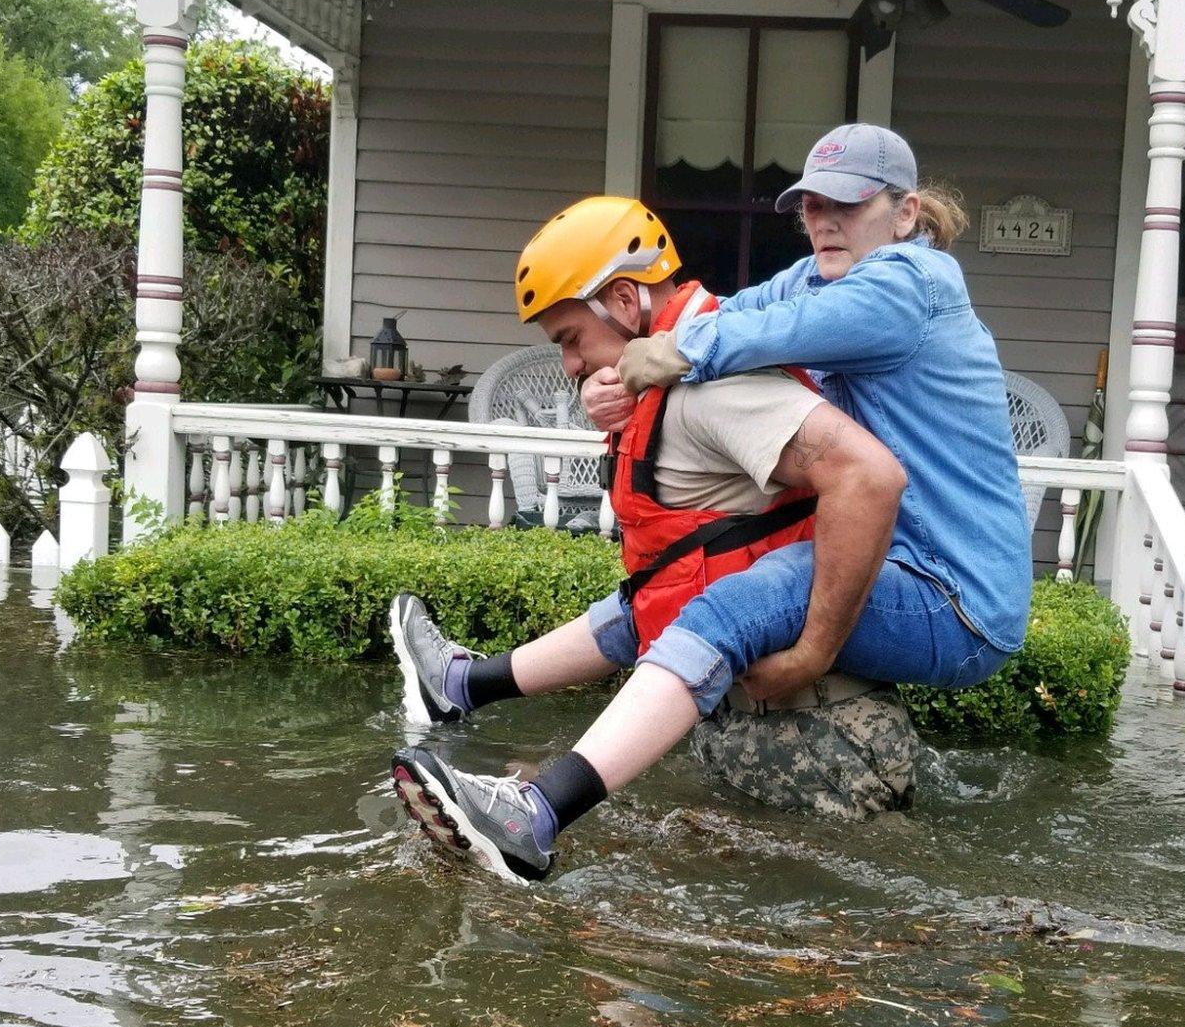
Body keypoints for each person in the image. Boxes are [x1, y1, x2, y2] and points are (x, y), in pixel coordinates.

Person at [393, 124, 1031, 882]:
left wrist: (814, 653)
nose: (824, 220)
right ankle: (461, 685)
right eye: (811, 205)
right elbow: (730, 311)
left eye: (849, 204)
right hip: (905, 565)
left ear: (904, 214)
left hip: (956, 600)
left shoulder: (910, 283)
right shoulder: (822, 278)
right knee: (688, 577)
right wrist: (623, 370)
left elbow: (774, 337)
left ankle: (538, 815)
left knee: (737, 601)